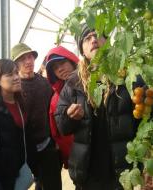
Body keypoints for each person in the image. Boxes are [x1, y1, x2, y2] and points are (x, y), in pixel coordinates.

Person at [54, 24, 144, 190]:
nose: (93, 40)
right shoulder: (74, 82)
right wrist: (69, 116)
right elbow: (62, 126)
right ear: (82, 50)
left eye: (97, 36)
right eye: (87, 39)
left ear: (107, 42)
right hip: (88, 173)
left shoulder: (128, 75)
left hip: (119, 171)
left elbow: (144, 119)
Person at [11, 43, 62, 190]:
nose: (28, 61)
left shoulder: (44, 83)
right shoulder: (14, 88)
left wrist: (56, 139)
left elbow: (53, 112)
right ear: (15, 64)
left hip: (47, 145)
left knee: (53, 185)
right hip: (26, 150)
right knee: (37, 183)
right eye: (22, 59)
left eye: (30, 57)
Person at [0, 58, 29, 190]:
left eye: (16, 73)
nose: (16, 77)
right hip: (2, 176)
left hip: (20, 167)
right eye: (10, 75)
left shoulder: (20, 102)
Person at [44, 46, 79, 169]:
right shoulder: (55, 101)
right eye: (55, 68)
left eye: (62, 62)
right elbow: (57, 135)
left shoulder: (93, 81)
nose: (59, 69)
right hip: (78, 160)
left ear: (71, 60)